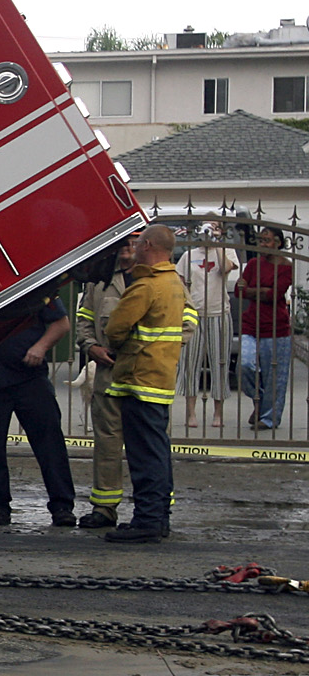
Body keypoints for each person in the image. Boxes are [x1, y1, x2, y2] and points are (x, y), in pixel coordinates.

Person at [103, 224, 187, 543]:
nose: (134, 248)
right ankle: (158, 517)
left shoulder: (146, 285)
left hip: (138, 377)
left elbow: (116, 327)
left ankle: (147, 521)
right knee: (157, 451)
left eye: (138, 244)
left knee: (143, 455)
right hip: (159, 378)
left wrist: (119, 344)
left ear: (148, 245)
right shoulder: (174, 282)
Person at [0, 294, 77, 526]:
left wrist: (40, 347)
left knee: (49, 446)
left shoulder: (32, 285)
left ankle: (62, 506)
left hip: (29, 377)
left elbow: (61, 323)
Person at [73, 233, 136, 528]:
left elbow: (186, 321)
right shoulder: (97, 281)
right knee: (107, 444)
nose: (127, 253)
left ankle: (152, 510)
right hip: (108, 374)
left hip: (144, 376)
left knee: (146, 445)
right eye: (123, 246)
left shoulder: (159, 280)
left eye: (134, 246)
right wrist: (91, 347)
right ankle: (105, 509)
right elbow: (84, 319)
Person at [176, 222, 238, 431]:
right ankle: (191, 412)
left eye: (216, 228)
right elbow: (180, 281)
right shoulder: (189, 255)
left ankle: (218, 412)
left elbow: (226, 268)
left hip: (219, 313)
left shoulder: (226, 251)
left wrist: (217, 243)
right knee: (190, 364)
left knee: (219, 362)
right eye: (207, 228)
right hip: (194, 314)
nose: (210, 232)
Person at [234, 225, 295, 431]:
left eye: (266, 240)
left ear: (278, 243)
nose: (262, 244)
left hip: (277, 328)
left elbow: (274, 295)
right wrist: (259, 291)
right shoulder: (253, 264)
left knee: (274, 377)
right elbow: (238, 290)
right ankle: (259, 401)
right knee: (245, 365)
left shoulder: (286, 267)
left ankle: (269, 419)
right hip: (251, 325)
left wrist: (252, 290)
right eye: (260, 240)